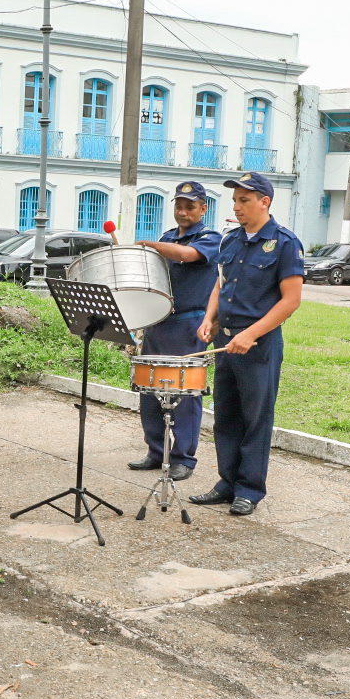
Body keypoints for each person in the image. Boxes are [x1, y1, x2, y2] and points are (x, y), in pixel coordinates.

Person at [188, 173, 304, 516]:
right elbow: (219, 285)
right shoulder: (230, 240)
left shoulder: (284, 243)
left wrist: (252, 333)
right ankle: (227, 482)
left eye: (244, 200)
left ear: (264, 202)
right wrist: (209, 318)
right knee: (226, 415)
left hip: (258, 344)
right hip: (226, 341)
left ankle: (249, 489)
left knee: (256, 417)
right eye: (235, 201)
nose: (237, 207)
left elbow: (291, 300)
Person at [127, 181, 222, 482]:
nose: (182, 212)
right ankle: (157, 451)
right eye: (179, 206)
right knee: (150, 389)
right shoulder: (167, 237)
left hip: (189, 323)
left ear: (203, 208)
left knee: (184, 393)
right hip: (158, 321)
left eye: (190, 206)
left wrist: (150, 245)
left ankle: (183, 458)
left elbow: (188, 255)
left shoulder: (210, 238)